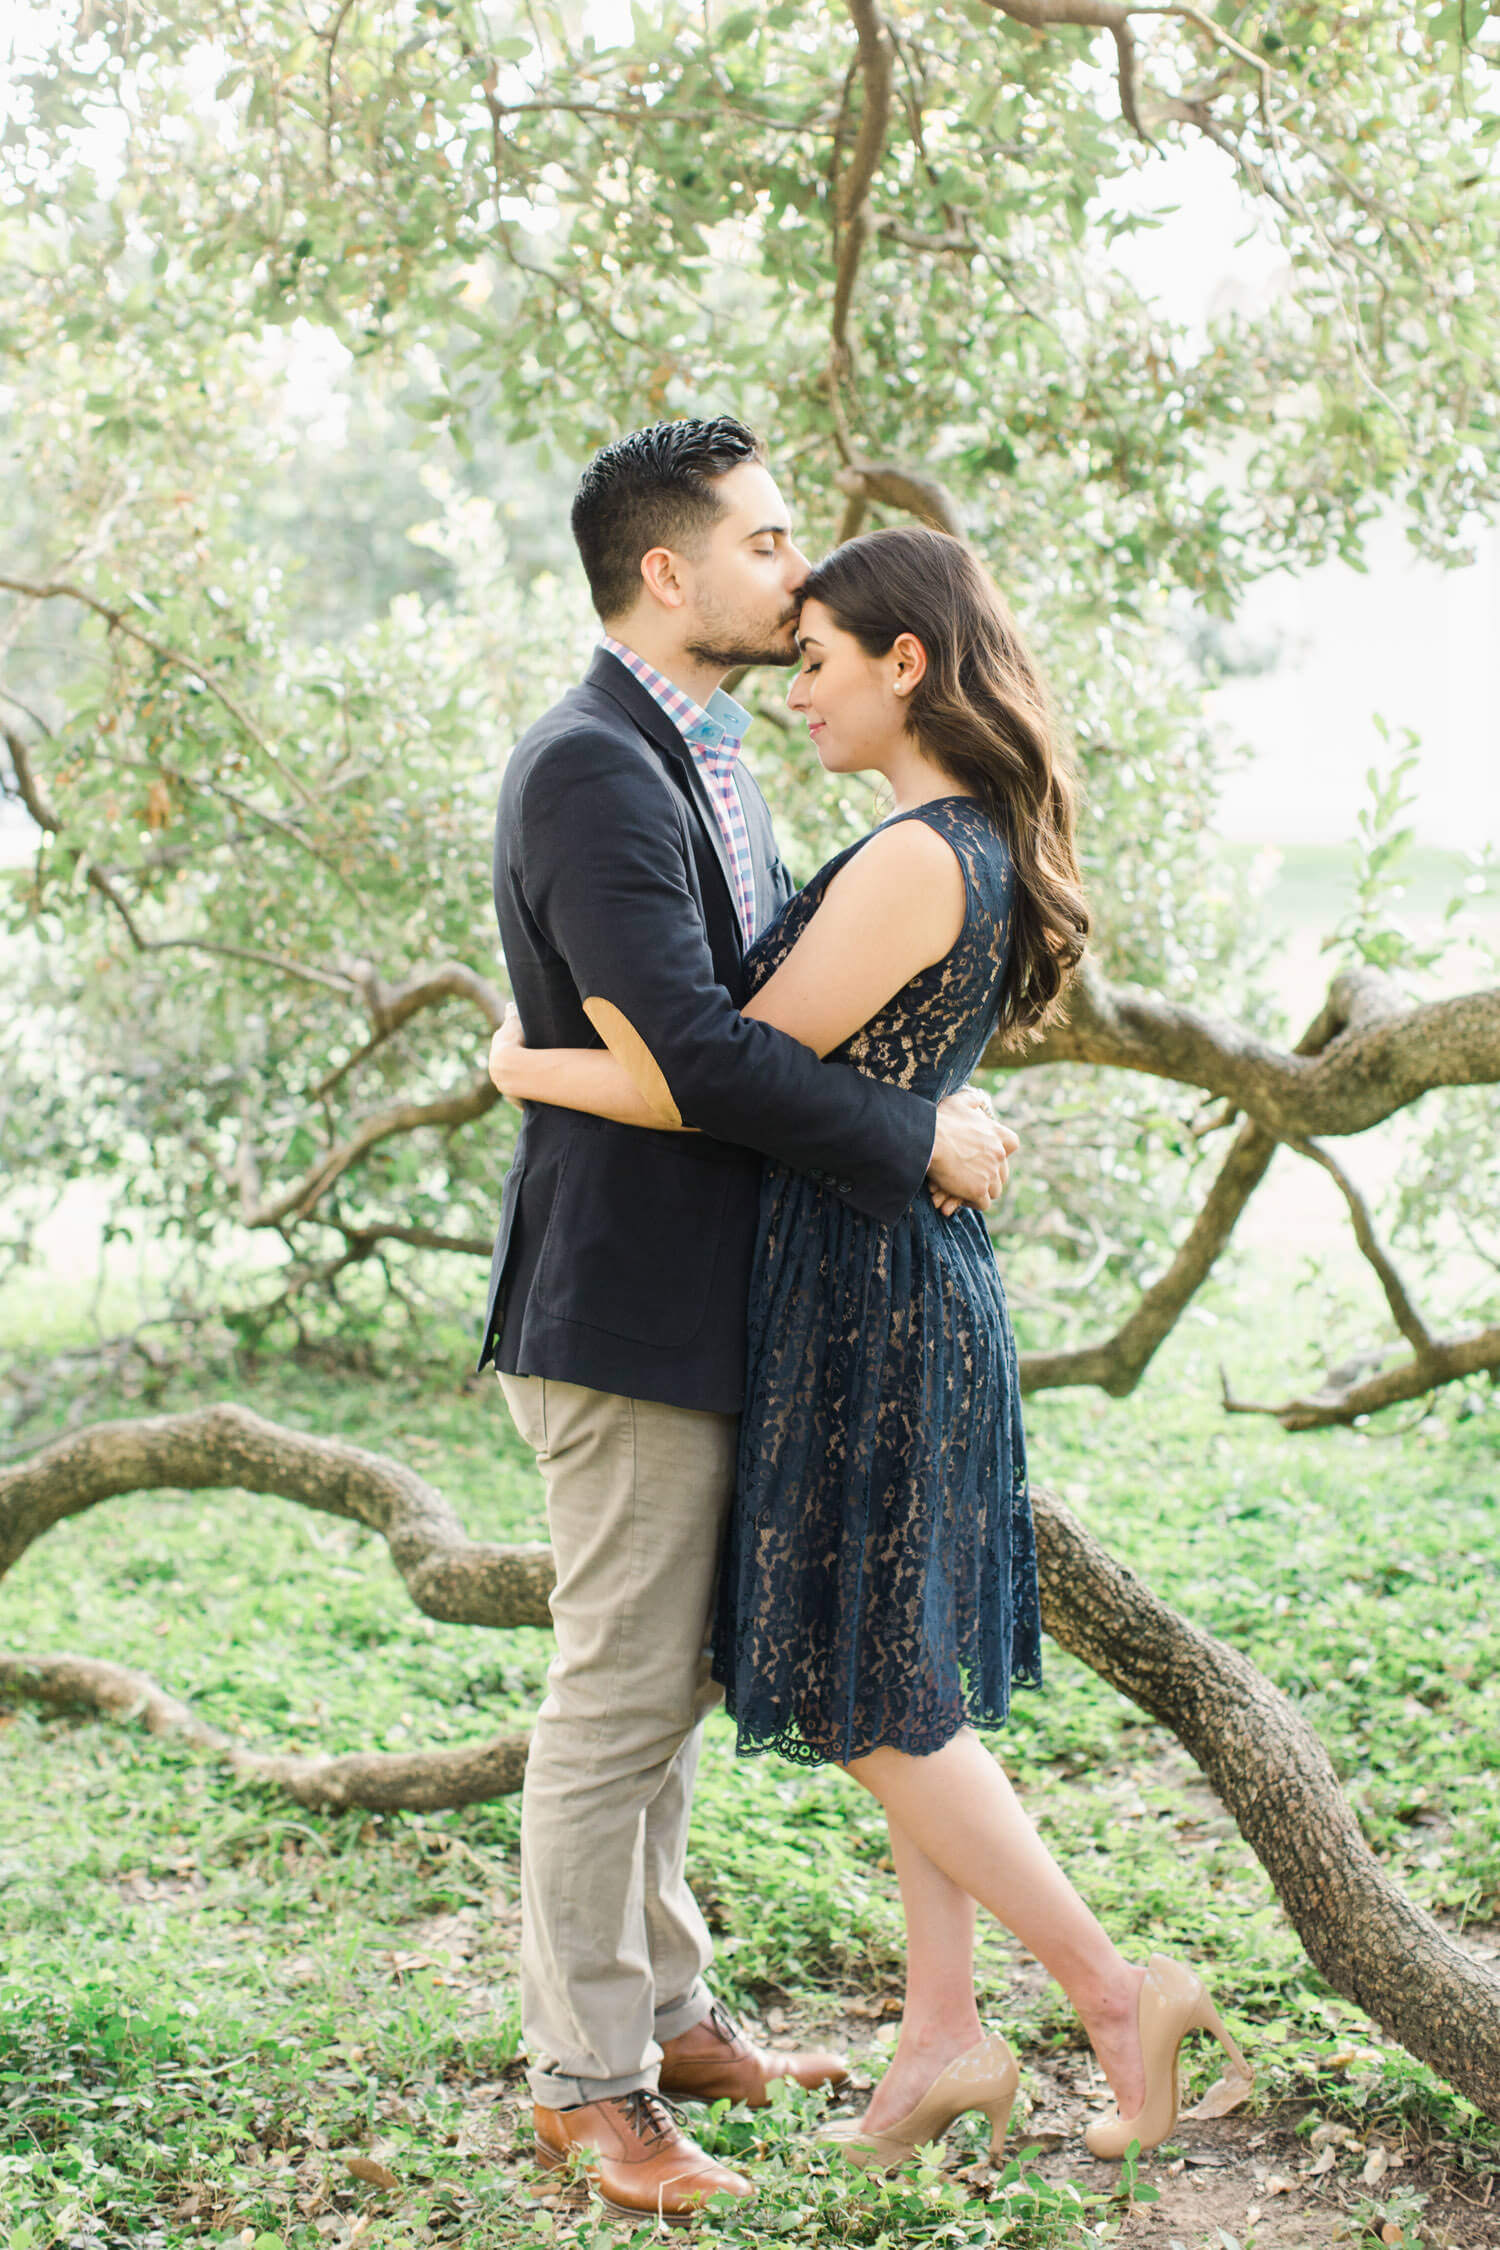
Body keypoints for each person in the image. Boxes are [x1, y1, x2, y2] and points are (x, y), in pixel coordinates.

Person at [490, 523, 1253, 2179]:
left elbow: (722, 1069)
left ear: (909, 663)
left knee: (871, 1691)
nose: (804, 684)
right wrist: (916, 1124)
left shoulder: (917, 854)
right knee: (892, 1665)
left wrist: (533, 1060)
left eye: (827, 657)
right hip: (871, 1271)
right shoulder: (940, 839)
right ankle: (940, 2036)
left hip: (867, 1289)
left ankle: (1117, 1991)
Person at [477, 419, 1019, 2227]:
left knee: (670, 1696)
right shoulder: (589, 768)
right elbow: (705, 1056)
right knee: (616, 1698)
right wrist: (926, 1139)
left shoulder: (702, 749)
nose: (800, 578)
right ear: (667, 572)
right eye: (770, 542)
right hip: (623, 1307)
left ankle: (679, 2012)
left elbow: (742, 1007)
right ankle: (588, 2084)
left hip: (720, 1302)